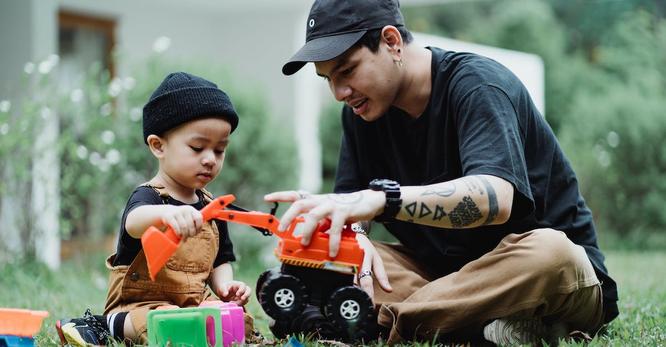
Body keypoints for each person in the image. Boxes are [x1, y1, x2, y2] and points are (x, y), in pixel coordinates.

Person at [266, 0, 619, 345]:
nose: (340, 92)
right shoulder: (361, 113)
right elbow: (352, 206)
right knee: (333, 256)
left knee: (552, 253)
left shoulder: (478, 85)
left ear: (391, 42)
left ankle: (386, 323)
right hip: (444, 280)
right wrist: (347, 230)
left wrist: (383, 200)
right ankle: (479, 325)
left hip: (540, 275)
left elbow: (494, 199)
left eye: (347, 71)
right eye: (327, 79)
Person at [55, 72, 253, 346]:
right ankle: (103, 324)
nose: (210, 159)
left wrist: (224, 287)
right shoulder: (149, 197)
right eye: (197, 147)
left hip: (191, 305)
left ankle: (194, 326)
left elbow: (221, 260)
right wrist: (166, 215)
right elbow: (133, 222)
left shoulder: (211, 207)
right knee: (167, 322)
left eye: (219, 150)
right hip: (139, 305)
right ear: (158, 146)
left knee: (236, 320)